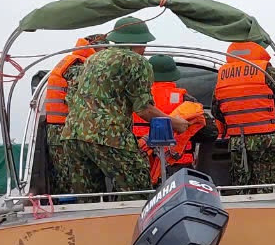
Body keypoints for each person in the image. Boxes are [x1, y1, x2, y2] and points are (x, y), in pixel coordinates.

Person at [60, 17, 189, 195]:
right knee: (138, 192)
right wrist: (176, 124)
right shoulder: (137, 62)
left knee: (88, 200)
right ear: (140, 42)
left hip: (72, 136)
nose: (145, 49)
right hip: (108, 136)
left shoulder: (93, 59)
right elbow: (144, 109)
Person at [214, 41, 275, 186]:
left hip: (238, 142)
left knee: (242, 186)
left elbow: (216, 110)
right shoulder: (269, 72)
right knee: (269, 188)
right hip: (268, 140)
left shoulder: (222, 75)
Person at [133, 55, 216, 183]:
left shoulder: (131, 99)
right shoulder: (185, 100)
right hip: (177, 167)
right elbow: (210, 132)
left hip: (139, 164)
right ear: (173, 75)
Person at [43, 34, 106, 193]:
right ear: (97, 48)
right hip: (64, 131)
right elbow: (80, 99)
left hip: (63, 129)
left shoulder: (74, 60)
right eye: (105, 50)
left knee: (70, 177)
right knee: (72, 180)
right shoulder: (77, 66)